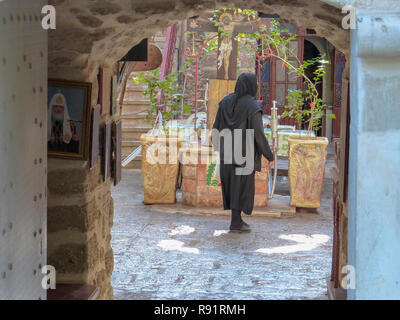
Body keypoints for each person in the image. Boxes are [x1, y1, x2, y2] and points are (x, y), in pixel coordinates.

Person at [212, 73, 274, 233]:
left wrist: (220, 148)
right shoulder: (253, 107)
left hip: (227, 155)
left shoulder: (225, 102)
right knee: (241, 189)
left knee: (232, 187)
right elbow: (258, 134)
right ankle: (236, 221)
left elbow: (216, 129)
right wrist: (269, 154)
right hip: (245, 156)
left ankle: (236, 221)